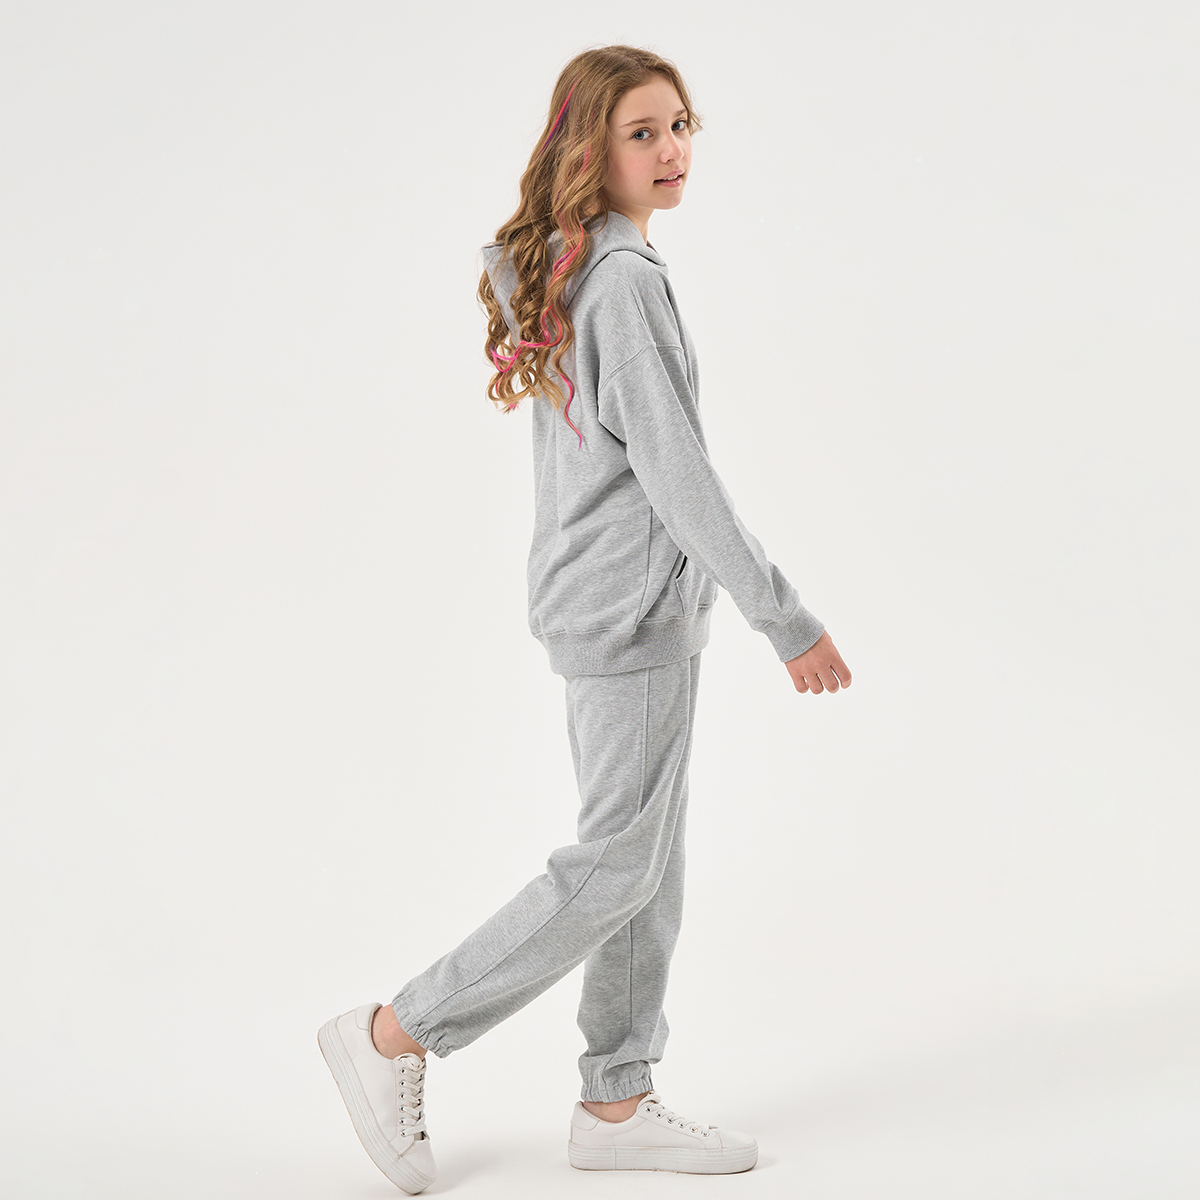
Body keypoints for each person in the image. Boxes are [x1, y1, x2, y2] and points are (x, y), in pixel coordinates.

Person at [317, 43, 852, 1194]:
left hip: (621, 603)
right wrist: (784, 617)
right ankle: (394, 1033)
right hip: (625, 611)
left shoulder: (589, 267)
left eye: (680, 126)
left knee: (647, 866)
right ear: (588, 151)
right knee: (614, 866)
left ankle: (615, 1099)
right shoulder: (618, 283)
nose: (670, 150)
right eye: (640, 133)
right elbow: (680, 478)